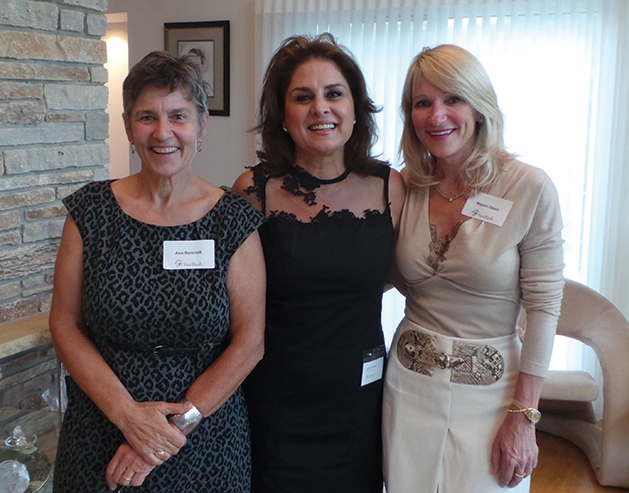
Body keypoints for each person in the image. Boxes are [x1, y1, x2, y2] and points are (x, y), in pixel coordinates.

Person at [49, 51, 266, 492]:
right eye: (147, 117)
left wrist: (167, 434)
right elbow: (65, 323)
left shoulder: (232, 221)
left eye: (179, 116)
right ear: (129, 126)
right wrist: (129, 417)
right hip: (101, 432)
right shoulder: (91, 212)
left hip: (205, 441)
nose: (163, 132)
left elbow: (250, 343)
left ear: (202, 126)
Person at [382, 44, 564, 493]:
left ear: (479, 106)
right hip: (408, 385)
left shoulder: (529, 187)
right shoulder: (408, 186)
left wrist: (524, 416)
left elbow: (545, 307)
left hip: (493, 393)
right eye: (422, 103)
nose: (436, 115)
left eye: (452, 99)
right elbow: (394, 274)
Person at [232, 33, 405, 492]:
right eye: (302, 97)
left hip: (361, 398)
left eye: (334, 94)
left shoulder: (392, 187)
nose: (320, 108)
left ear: (355, 108)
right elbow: (232, 298)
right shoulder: (254, 189)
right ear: (283, 116)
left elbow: (410, 274)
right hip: (277, 399)